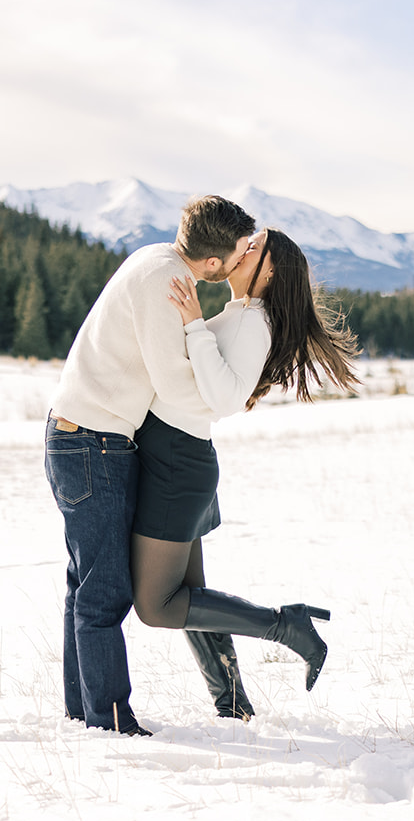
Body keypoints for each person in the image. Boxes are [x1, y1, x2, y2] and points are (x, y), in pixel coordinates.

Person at [45, 195, 255, 735]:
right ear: (214, 264)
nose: (242, 260)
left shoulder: (154, 258)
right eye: (238, 254)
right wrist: (226, 395)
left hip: (79, 435)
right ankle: (110, 719)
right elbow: (177, 385)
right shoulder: (167, 287)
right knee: (105, 591)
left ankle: (83, 708)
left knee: (85, 584)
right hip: (94, 442)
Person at [130, 228, 360, 717]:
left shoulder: (254, 322)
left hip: (178, 462)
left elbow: (226, 398)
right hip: (181, 456)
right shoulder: (239, 314)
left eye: (255, 248)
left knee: (157, 606)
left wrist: (193, 325)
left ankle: (286, 626)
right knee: (191, 597)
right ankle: (231, 702)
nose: (242, 249)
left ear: (270, 271)